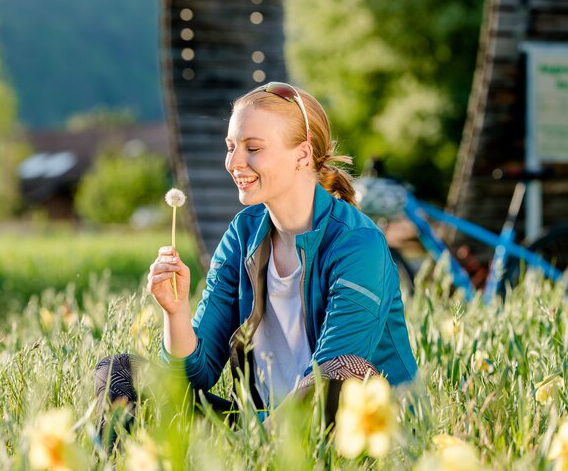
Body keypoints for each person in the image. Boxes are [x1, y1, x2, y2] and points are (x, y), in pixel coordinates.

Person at [95, 82, 417, 431]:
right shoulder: (243, 233)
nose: (233, 162)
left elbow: (333, 377)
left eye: (253, 148)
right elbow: (193, 378)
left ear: (303, 155)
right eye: (231, 147)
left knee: (341, 372)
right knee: (119, 373)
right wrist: (175, 313)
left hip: (353, 434)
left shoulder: (358, 244)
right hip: (255, 428)